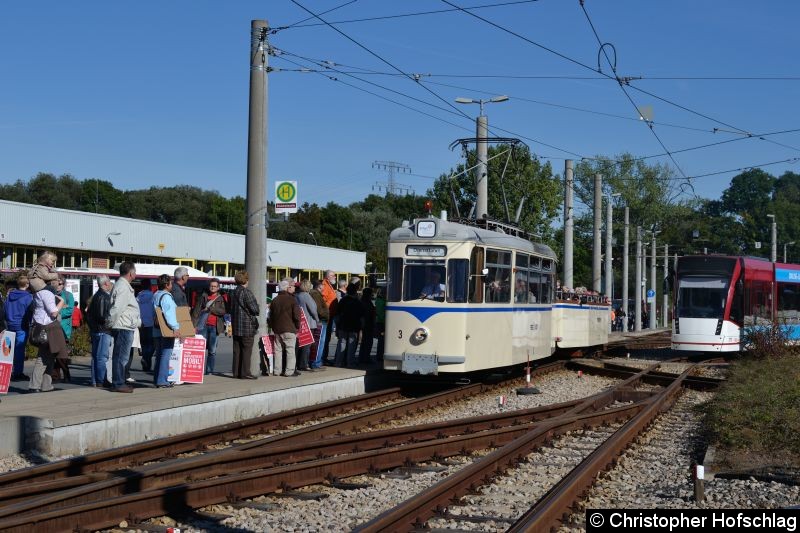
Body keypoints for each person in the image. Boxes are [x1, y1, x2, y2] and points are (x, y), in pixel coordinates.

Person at [107, 262, 141, 393]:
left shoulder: (122, 286)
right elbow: (117, 308)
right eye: (135, 271)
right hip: (123, 327)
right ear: (131, 273)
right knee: (121, 357)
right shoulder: (123, 287)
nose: (136, 274)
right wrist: (110, 323)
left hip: (124, 325)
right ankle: (118, 383)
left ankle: (118, 382)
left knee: (121, 356)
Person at [27, 282, 66, 393]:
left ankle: (46, 385)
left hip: (44, 327)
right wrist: (62, 302)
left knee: (49, 357)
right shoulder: (46, 293)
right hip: (47, 328)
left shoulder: (39, 293)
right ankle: (34, 385)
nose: (59, 283)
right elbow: (53, 313)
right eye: (57, 281)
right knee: (43, 357)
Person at [192, 278, 228, 375]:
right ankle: (198, 371)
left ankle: (209, 371)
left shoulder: (221, 299)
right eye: (211, 286)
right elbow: (196, 311)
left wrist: (211, 309)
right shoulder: (203, 296)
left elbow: (223, 311)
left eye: (215, 286)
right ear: (209, 286)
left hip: (215, 327)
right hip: (202, 326)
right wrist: (193, 325)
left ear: (218, 287)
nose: (213, 288)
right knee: (200, 349)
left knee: (212, 351)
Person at [152, 274, 181, 387]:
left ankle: (157, 378)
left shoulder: (156, 295)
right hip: (166, 330)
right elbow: (169, 314)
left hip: (156, 329)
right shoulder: (166, 297)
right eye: (171, 283)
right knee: (166, 354)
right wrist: (175, 328)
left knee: (159, 354)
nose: (172, 285)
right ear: (167, 284)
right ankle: (162, 380)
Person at [268, 278, 302, 376]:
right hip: (289, 328)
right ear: (287, 288)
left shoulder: (274, 300)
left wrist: (272, 327)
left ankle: (277, 370)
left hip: (277, 329)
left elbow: (271, 316)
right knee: (290, 350)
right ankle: (289, 371)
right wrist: (297, 327)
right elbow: (297, 316)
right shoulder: (292, 300)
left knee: (278, 350)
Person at [230, 270, 259, 379]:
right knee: (247, 350)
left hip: (236, 325)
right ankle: (245, 372)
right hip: (247, 326)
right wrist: (258, 306)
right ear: (246, 280)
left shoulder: (232, 293)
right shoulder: (247, 292)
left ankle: (236, 372)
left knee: (237, 350)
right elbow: (255, 310)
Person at [4, 274, 33, 381]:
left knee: (8, 351)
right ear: (27, 284)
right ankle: (18, 372)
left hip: (10, 324)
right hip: (21, 325)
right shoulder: (28, 297)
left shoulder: (9, 296)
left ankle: (6, 371)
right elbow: (30, 313)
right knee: (19, 350)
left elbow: (5, 310)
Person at [87, 276, 113, 387]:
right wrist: (111, 324)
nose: (111, 285)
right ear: (106, 283)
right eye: (110, 282)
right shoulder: (104, 297)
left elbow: (88, 315)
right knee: (102, 357)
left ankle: (95, 380)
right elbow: (103, 316)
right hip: (103, 330)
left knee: (96, 356)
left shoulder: (95, 296)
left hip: (96, 330)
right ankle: (101, 380)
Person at [334, 283, 364, 368]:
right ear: (355, 292)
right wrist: (361, 328)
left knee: (341, 343)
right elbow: (361, 316)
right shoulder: (357, 302)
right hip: (354, 326)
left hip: (343, 325)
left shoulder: (343, 300)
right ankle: (350, 363)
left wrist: (337, 326)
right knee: (352, 345)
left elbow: (338, 314)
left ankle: (338, 362)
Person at [51, 277, 74, 383]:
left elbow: (69, 310)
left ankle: (66, 374)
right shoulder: (50, 294)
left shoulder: (69, 295)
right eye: (57, 283)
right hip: (52, 327)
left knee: (62, 354)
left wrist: (57, 313)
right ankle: (55, 376)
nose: (58, 286)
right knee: (53, 352)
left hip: (64, 328)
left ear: (63, 284)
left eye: (60, 284)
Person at [293, 280, 318, 372]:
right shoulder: (306, 296)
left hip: (302, 322)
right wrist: (317, 320)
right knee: (307, 345)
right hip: (310, 322)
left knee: (300, 344)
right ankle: (304, 364)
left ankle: (298, 363)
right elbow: (313, 310)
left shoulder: (297, 296)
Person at [308, 279, 329, 370]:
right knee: (319, 343)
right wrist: (326, 315)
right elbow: (319, 309)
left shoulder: (314, 294)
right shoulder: (316, 294)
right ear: (318, 287)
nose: (323, 291)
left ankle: (315, 361)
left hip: (318, 320)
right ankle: (316, 362)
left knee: (317, 342)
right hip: (321, 321)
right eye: (321, 288)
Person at [319, 270, 338, 364]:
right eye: (333, 275)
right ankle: (322, 358)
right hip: (327, 316)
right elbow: (323, 301)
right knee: (324, 339)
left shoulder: (329, 285)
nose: (335, 277)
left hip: (330, 316)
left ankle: (324, 358)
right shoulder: (325, 286)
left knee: (326, 338)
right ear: (327, 277)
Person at [136, 283, 155, 372]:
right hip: (151, 323)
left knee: (144, 344)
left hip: (141, 323)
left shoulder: (138, 297)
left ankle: (145, 364)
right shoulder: (152, 296)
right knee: (151, 344)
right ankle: (146, 359)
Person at [358, 287, 376, 364]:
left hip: (364, 324)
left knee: (364, 342)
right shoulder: (368, 303)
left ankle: (362, 357)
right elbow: (371, 314)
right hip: (368, 324)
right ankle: (365, 358)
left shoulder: (361, 301)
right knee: (368, 342)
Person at [374, 287, 386, 361]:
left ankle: (379, 355)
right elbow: (381, 314)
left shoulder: (378, 300)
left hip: (380, 322)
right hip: (382, 322)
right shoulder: (381, 301)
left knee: (381, 340)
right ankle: (380, 356)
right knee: (382, 340)